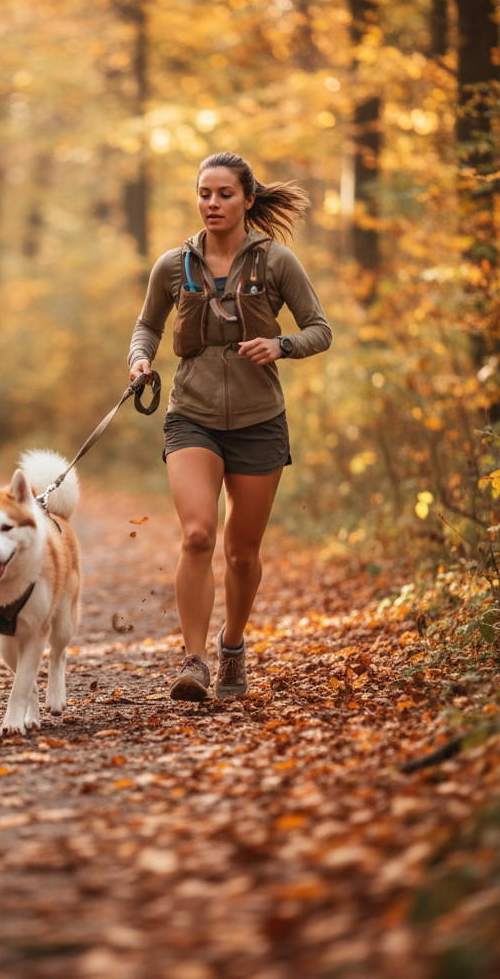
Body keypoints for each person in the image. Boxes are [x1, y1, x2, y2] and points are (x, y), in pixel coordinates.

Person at [127, 152, 331, 701]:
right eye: (203, 193)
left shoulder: (277, 262)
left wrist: (280, 345)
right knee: (197, 535)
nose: (211, 203)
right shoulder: (175, 265)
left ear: (247, 200)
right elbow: (147, 326)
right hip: (191, 416)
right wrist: (140, 361)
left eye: (223, 194)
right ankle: (192, 661)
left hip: (259, 421)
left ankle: (232, 648)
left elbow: (320, 329)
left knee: (242, 553)